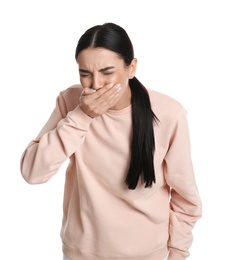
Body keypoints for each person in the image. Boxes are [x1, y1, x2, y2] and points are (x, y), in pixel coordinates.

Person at [20, 22, 202, 260]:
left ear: (132, 67)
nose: (95, 84)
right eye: (85, 74)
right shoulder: (71, 102)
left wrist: (177, 254)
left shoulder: (169, 113)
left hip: (147, 254)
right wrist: (82, 117)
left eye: (107, 72)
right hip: (81, 253)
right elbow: (33, 172)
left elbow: (186, 198)